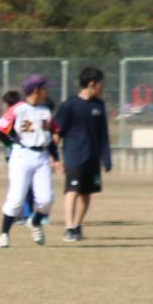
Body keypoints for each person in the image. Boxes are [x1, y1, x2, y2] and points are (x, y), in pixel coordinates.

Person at [0, 74, 58, 248]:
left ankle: (35, 222)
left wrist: (56, 158)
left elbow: (49, 136)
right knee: (16, 198)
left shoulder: (46, 110)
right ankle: (4, 234)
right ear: (36, 90)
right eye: (45, 88)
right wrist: (12, 144)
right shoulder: (18, 108)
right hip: (22, 155)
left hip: (42, 155)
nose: (47, 91)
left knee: (46, 200)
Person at [56, 67, 110, 242]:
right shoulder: (69, 105)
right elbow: (57, 132)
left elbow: (104, 133)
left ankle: (77, 226)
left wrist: (106, 157)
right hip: (74, 156)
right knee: (72, 191)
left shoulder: (99, 106)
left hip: (92, 158)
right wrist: (53, 158)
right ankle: (69, 227)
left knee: (86, 194)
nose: (103, 88)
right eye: (101, 84)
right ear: (92, 84)